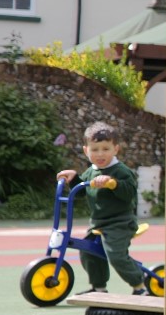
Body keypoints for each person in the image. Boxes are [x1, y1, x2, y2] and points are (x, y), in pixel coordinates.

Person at [57, 121, 143, 295]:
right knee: (88, 252)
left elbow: (129, 193)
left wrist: (113, 184)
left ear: (116, 149)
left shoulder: (121, 171)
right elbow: (81, 190)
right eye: (95, 149)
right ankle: (99, 288)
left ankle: (140, 286)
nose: (100, 154)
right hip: (98, 223)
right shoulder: (91, 171)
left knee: (116, 255)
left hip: (121, 223)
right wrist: (74, 179)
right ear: (86, 151)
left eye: (105, 149)